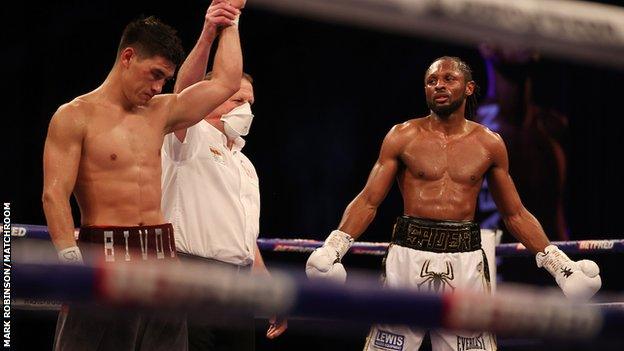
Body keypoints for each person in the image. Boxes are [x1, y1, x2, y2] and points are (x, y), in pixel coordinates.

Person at [305, 56, 601, 351]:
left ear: (469, 87)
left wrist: (561, 267)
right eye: (431, 81)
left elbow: (515, 214)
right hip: (407, 256)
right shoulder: (402, 136)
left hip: (465, 259)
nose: (439, 86)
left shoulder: (489, 143)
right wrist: (333, 248)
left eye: (449, 79)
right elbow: (369, 200)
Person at [42, 1, 245, 349]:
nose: (158, 87)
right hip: (103, 255)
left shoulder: (160, 112)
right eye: (155, 75)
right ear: (128, 57)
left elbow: (226, 82)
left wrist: (228, 21)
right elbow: (54, 195)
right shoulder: (75, 116)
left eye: (165, 79)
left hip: (162, 255)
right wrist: (70, 262)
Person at [161, 1, 287, 349]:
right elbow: (182, 96)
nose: (245, 109)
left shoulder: (246, 166)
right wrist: (213, 31)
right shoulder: (189, 135)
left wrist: (266, 289)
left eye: (250, 103)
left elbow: (247, 238)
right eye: (235, 100)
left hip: (238, 283)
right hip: (190, 275)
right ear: (210, 98)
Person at [474, 44, 569, 241]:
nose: (524, 38)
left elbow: (555, 216)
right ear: (487, 45)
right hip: (488, 265)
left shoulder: (552, 125)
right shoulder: (467, 130)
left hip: (545, 263)